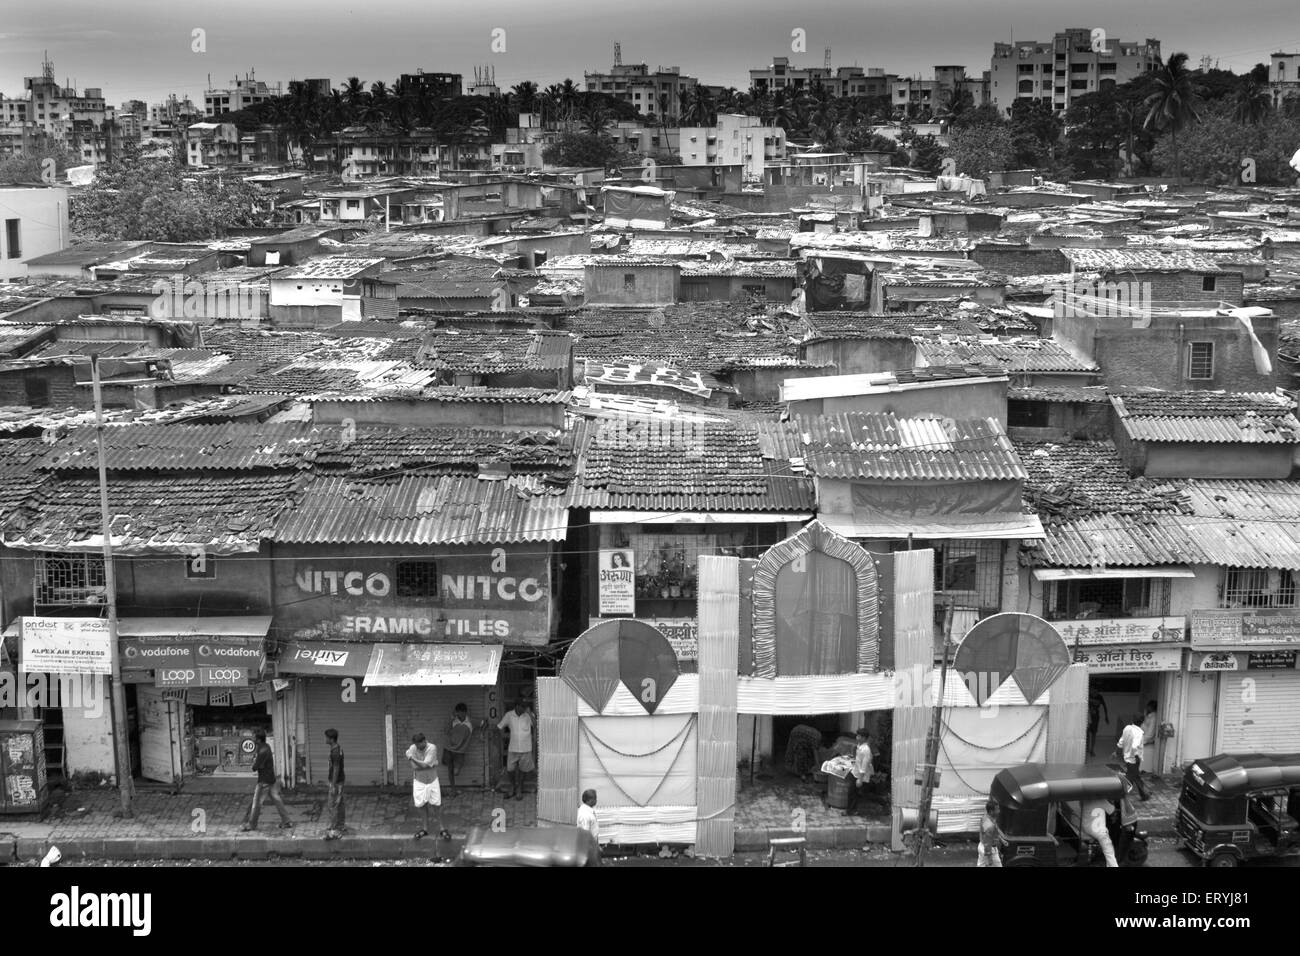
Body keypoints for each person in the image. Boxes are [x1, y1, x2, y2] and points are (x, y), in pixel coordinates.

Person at [241, 730, 293, 831]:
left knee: (256, 803)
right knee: (276, 799)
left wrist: (252, 763)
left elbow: (255, 767)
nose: (253, 739)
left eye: (254, 737)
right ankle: (287, 821)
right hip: (271, 778)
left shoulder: (262, 751)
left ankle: (251, 824)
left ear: (258, 739)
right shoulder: (266, 747)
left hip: (264, 781)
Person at [406, 733, 449, 841]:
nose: (417, 747)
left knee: (436, 805)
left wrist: (411, 758)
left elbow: (424, 765)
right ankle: (425, 829)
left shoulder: (432, 748)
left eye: (419, 744)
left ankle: (442, 828)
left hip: (432, 780)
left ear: (425, 741)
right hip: (419, 781)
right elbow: (414, 767)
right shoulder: (413, 747)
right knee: (421, 805)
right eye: (416, 745)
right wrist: (430, 764)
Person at [497, 699, 536, 800]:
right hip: (513, 748)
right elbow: (500, 726)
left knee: (523, 770)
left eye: (525, 706)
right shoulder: (509, 715)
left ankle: (519, 789)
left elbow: (535, 726)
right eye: (522, 706)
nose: (524, 708)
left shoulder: (528, 715)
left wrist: (529, 713)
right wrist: (502, 738)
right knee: (510, 769)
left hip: (526, 748)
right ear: (517, 706)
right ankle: (513, 786)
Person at [444, 703, 483, 797]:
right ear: (456, 712)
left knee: (456, 772)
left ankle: (454, 790)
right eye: (458, 713)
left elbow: (484, 723)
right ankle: (453, 790)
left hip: (460, 751)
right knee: (450, 770)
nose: (460, 715)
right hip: (448, 749)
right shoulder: (453, 721)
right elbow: (445, 731)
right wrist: (451, 720)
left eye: (462, 713)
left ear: (466, 712)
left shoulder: (471, 722)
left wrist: (481, 734)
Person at [1118, 714, 1151, 801]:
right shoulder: (1139, 733)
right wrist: (1136, 756)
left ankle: (1144, 794)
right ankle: (1120, 793)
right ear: (1142, 722)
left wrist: (1117, 750)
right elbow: (1134, 746)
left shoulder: (1127, 728)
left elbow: (1121, 741)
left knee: (1135, 776)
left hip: (1127, 757)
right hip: (1134, 759)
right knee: (1131, 777)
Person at [1083, 797, 1119, 867]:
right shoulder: (1101, 800)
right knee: (1109, 852)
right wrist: (1110, 801)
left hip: (1086, 828)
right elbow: (1112, 810)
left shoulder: (1085, 800)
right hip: (1098, 831)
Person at [1113, 773, 1139, 865]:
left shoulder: (1120, 796)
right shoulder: (1120, 794)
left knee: (1121, 848)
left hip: (1128, 823)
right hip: (1124, 820)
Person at [845, 728, 873, 815]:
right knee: (853, 793)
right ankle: (852, 810)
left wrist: (860, 779)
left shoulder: (866, 750)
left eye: (859, 736)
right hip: (855, 772)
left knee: (853, 793)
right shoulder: (859, 746)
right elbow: (859, 759)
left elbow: (864, 765)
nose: (857, 737)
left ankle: (851, 811)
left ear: (864, 738)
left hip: (859, 775)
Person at [324, 728, 345, 840]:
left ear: (331, 739)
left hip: (336, 782)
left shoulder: (335, 752)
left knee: (332, 805)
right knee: (340, 804)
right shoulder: (337, 749)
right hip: (340, 780)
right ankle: (341, 826)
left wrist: (333, 784)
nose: (325, 739)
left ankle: (335, 830)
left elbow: (336, 768)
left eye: (326, 737)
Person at [978, 799, 1002, 867]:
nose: (999, 811)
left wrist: (1001, 839)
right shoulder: (989, 826)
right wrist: (989, 858)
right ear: (991, 811)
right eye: (997, 809)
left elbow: (994, 830)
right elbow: (987, 843)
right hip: (989, 849)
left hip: (981, 845)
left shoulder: (985, 817)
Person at [1086, 690, 1109, 757]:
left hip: (1095, 717)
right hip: (1088, 716)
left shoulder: (1099, 696)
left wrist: (1106, 716)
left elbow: (1104, 705)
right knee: (1087, 733)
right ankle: (1087, 749)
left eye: (1095, 690)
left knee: (1094, 733)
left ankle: (1092, 750)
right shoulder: (1088, 695)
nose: (1093, 691)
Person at [1140, 700, 1158, 778]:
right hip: (1144, 740)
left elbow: (1150, 734)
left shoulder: (1153, 717)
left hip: (1147, 741)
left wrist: (1141, 741)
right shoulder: (1149, 716)